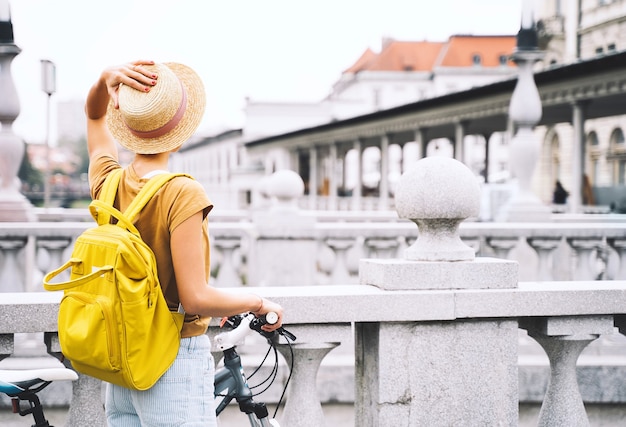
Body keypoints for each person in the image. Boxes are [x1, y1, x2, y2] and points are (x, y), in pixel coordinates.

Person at [85, 59, 284, 426]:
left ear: (125, 121)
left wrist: (103, 80)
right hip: (171, 360)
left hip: (122, 359)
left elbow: (95, 120)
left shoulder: (108, 182)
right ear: (181, 129)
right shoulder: (182, 192)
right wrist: (257, 302)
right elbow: (194, 297)